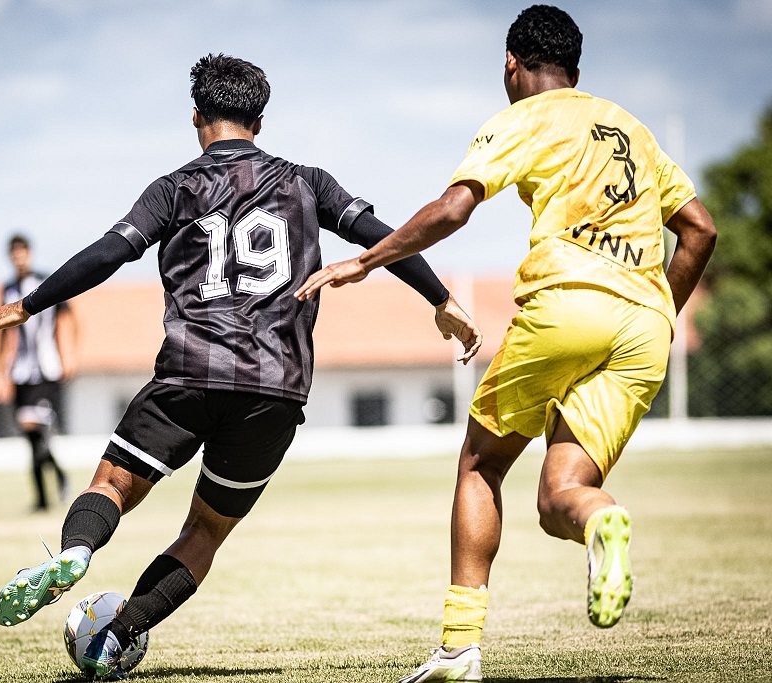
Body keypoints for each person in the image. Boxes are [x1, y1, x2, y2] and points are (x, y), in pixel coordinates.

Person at [0, 54, 481, 680]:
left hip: (186, 375)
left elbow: (108, 254)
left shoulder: (174, 188)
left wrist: (27, 305)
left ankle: (76, 551)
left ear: (196, 117)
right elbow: (383, 234)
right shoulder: (307, 182)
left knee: (111, 486)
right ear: (259, 121)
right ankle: (118, 634)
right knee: (206, 530)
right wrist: (442, 299)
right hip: (274, 388)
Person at [295, 6, 717, 682]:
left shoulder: (523, 117)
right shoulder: (631, 127)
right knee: (562, 497)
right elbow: (699, 230)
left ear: (512, 66)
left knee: (480, 465)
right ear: (576, 71)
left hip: (566, 307)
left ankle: (460, 649)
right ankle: (602, 520)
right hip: (644, 328)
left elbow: (454, 208)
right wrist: (659, 312)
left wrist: (364, 262)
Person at [0, 234, 73, 511]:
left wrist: (69, 357)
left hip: (47, 370)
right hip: (21, 373)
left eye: (22, 253)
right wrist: (0, 370)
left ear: (29, 253)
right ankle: (50, 490)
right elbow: (3, 333)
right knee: (32, 437)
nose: (19, 258)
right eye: (14, 254)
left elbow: (69, 318)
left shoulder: (46, 282)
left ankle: (49, 493)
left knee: (36, 431)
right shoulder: (7, 289)